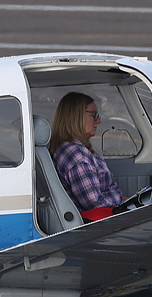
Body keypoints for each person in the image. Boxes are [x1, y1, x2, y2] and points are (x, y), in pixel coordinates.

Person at [49, 92, 125, 220]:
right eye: (93, 115)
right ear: (76, 116)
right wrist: (127, 204)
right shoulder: (76, 155)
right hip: (100, 220)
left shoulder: (74, 148)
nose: (98, 121)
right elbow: (95, 204)